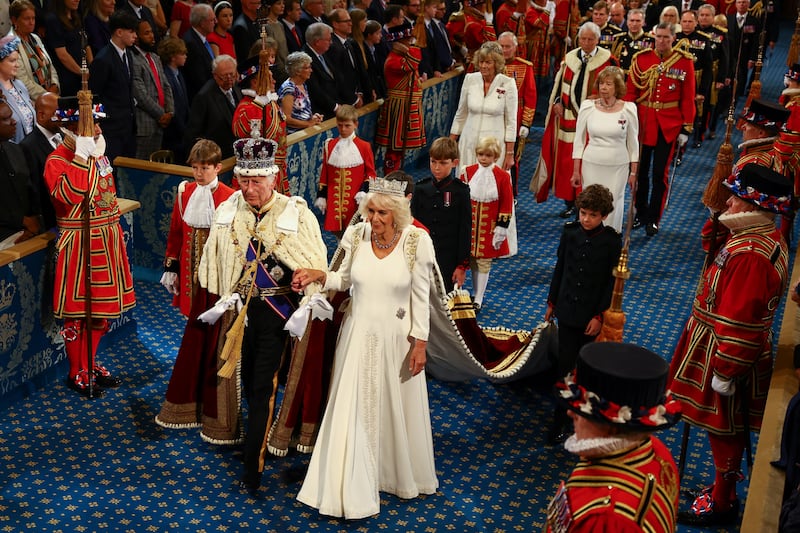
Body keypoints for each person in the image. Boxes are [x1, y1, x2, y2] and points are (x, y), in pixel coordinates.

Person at [293, 176, 439, 519]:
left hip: (397, 338)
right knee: (353, 409)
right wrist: (317, 274)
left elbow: (422, 299)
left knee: (394, 408)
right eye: (370, 210)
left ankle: (392, 474)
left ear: (398, 213)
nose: (374, 218)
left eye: (382, 213)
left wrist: (420, 343)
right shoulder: (356, 235)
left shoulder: (418, 241)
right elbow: (342, 279)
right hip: (357, 335)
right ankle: (352, 480)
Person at [197, 135, 328, 495]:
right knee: (241, 379)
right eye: (243, 181)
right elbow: (216, 262)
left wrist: (306, 279)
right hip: (239, 313)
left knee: (262, 386)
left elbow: (316, 261)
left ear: (274, 178)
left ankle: (252, 468)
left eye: (257, 182)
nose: (250, 189)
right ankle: (250, 436)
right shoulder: (228, 211)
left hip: (277, 314)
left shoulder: (295, 212)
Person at [670, 163, 791, 527]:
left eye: (736, 198)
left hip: (723, 350)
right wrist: (719, 218)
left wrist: (726, 368)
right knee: (721, 426)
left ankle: (723, 500)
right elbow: (711, 247)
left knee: (723, 427)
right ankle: (722, 490)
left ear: (754, 206)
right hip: (715, 343)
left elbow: (740, 319)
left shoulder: (753, 254)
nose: (730, 202)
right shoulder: (752, 236)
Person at [44, 102, 136, 397]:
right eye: (92, 125)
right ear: (73, 130)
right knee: (77, 313)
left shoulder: (99, 154)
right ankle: (76, 371)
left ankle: (91, 362)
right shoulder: (57, 160)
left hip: (106, 238)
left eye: (97, 124)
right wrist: (81, 159)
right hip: (79, 242)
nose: (98, 129)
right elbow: (68, 196)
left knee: (102, 312)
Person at [545, 342, 681, 532]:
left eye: (582, 411)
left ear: (611, 426)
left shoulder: (607, 519)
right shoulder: (655, 449)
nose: (570, 414)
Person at [155, 140, 239, 444]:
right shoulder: (184, 193)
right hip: (191, 278)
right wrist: (171, 267)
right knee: (193, 331)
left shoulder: (231, 197)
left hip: (217, 281)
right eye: (195, 167)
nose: (199, 173)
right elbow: (177, 231)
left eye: (205, 167)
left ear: (218, 167)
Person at [544, 183, 621, 443]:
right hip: (567, 311)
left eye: (593, 215)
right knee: (564, 368)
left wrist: (600, 315)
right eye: (583, 213)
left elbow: (610, 284)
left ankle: (583, 422)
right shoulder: (570, 233)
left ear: (604, 216)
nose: (586, 219)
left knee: (586, 371)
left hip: (591, 317)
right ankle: (560, 419)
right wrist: (551, 302)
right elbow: (560, 269)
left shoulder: (611, 241)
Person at [531, 22, 618, 217]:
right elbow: (558, 85)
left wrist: (599, 98)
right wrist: (556, 102)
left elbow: (616, 89)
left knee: (587, 163)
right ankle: (570, 202)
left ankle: (587, 203)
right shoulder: (570, 59)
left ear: (597, 40)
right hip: (567, 117)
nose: (586, 43)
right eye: (583, 39)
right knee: (566, 162)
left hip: (594, 118)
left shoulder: (608, 61)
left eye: (590, 39)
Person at [625, 22, 695, 237]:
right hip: (643, 124)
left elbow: (687, 96)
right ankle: (640, 212)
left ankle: (654, 219)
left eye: (666, 37)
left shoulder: (684, 62)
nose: (662, 41)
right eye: (658, 37)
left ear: (673, 38)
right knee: (640, 173)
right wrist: (627, 120)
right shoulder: (642, 59)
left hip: (668, 125)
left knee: (659, 175)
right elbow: (630, 93)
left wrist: (686, 127)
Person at [571, 66, 639, 232]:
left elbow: (633, 144)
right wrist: (576, 171)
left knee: (614, 203)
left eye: (608, 84)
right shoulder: (587, 107)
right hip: (592, 163)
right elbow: (578, 141)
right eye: (601, 83)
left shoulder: (629, 109)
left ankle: (611, 241)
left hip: (618, 166)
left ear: (617, 87)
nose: (603, 88)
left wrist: (633, 173)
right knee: (591, 203)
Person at [460, 136, 515, 311]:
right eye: (481, 154)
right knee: (464, 259)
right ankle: (458, 292)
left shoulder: (502, 177)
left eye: (488, 155)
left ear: (495, 156)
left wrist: (501, 229)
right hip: (468, 228)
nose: (483, 158)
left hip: (489, 231)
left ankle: (479, 297)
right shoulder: (467, 172)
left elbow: (506, 205)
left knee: (483, 263)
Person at [411, 136, 471, 292]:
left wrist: (461, 266)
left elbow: (465, 230)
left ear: (454, 163)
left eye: (443, 163)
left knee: (445, 299)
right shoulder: (420, 188)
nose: (437, 167)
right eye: (433, 162)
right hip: (422, 255)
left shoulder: (461, 191)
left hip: (448, 257)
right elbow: (412, 225)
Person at [450, 41, 518, 174]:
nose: (483, 66)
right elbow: (461, 114)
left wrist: (510, 153)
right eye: (481, 62)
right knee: (466, 184)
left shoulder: (508, 83)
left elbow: (511, 122)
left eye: (488, 62)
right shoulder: (470, 79)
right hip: (468, 142)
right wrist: (450, 143)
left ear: (497, 64)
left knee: (491, 188)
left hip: (493, 148)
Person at [232, 45, 290, 195]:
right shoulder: (246, 107)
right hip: (256, 174)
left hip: (276, 169)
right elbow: (246, 133)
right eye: (268, 77)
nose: (274, 80)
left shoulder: (270, 103)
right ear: (255, 82)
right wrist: (260, 103)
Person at [314, 104, 376, 238]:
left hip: (355, 201)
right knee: (337, 234)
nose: (343, 129)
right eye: (340, 125)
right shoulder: (329, 145)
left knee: (354, 233)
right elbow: (325, 172)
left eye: (347, 125)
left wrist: (364, 191)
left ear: (355, 124)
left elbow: (371, 173)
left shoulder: (364, 146)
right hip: (334, 200)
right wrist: (322, 195)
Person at [375, 21, 426, 174]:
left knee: (401, 149)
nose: (411, 42)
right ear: (400, 41)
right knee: (394, 147)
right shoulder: (393, 60)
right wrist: (416, 46)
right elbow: (413, 62)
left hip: (407, 106)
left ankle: (397, 176)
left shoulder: (402, 56)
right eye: (409, 39)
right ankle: (390, 177)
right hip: (398, 107)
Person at [89, 10, 139, 162]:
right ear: (119, 32)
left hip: (128, 128)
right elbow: (94, 95)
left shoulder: (128, 54)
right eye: (131, 31)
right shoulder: (103, 60)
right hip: (111, 131)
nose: (135, 35)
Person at [497, 32, 535, 195]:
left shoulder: (526, 67)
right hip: (495, 117)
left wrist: (526, 123)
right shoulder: (491, 65)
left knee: (512, 159)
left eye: (508, 47)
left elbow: (531, 97)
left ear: (515, 47)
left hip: (517, 117)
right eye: (502, 46)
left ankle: (511, 193)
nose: (505, 50)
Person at [184, 55, 242, 160]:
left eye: (232, 75)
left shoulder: (237, 89)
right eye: (224, 76)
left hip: (236, 154)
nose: (229, 79)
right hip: (218, 157)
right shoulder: (204, 97)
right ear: (215, 75)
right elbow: (193, 134)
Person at [0, 98, 40, 247]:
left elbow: (31, 191)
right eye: (6, 119)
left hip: (30, 230)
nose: (13, 121)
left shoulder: (16, 149)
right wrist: (22, 221)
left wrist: (33, 223)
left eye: (11, 116)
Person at [133, 18, 174, 160]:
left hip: (161, 123)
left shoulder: (155, 58)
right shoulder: (133, 59)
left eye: (152, 32)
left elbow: (166, 86)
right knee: (142, 169)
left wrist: (170, 112)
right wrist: (161, 114)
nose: (152, 36)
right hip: (146, 124)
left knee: (156, 168)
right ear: (136, 37)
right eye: (146, 33)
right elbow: (140, 95)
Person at [20, 92, 60, 231]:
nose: (63, 116)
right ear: (42, 115)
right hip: (50, 221)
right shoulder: (28, 146)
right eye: (57, 113)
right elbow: (34, 189)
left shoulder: (65, 137)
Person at [676, 10, 712, 149]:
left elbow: (708, 68)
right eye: (684, 21)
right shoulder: (674, 38)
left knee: (697, 114)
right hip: (677, 79)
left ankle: (698, 137)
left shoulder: (704, 39)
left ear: (696, 22)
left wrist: (702, 91)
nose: (686, 24)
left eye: (690, 21)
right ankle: (679, 147)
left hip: (696, 80)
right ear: (680, 22)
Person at [10, 0, 60, 101]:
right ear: (14, 20)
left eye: (33, 18)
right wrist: (46, 95)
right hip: (30, 101)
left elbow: (50, 66)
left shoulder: (35, 38)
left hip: (50, 97)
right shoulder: (10, 44)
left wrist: (55, 86)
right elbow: (22, 80)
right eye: (27, 18)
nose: (31, 22)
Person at [44, 0, 92, 97]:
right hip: (68, 79)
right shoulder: (53, 20)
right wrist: (82, 73)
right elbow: (62, 55)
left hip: (83, 78)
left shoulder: (77, 16)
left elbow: (86, 44)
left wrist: (92, 67)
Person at [158, 36, 190, 163]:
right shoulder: (166, 76)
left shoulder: (179, 74)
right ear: (172, 57)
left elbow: (184, 103)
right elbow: (172, 105)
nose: (185, 56)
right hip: (173, 132)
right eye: (182, 53)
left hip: (182, 130)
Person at [302, 22, 342, 120]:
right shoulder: (305, 59)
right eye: (328, 40)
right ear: (317, 42)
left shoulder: (323, 53)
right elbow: (315, 90)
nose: (331, 42)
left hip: (334, 106)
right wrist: (335, 107)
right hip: (322, 113)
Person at [0, 35, 35, 144]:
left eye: (17, 60)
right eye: (12, 61)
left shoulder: (20, 85)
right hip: (11, 156)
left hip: (31, 151)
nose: (17, 65)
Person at [278, 50, 323, 132]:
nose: (311, 70)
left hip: (306, 131)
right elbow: (286, 118)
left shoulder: (302, 84)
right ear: (297, 71)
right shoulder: (288, 89)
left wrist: (312, 117)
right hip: (294, 135)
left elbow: (300, 112)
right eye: (307, 68)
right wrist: (308, 123)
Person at [182, 3, 217, 102]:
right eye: (212, 20)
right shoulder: (191, 43)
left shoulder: (201, 39)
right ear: (202, 23)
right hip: (202, 98)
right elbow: (199, 78)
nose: (216, 22)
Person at [610, 7, 653, 75]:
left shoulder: (651, 40)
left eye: (638, 21)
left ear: (643, 22)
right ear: (627, 22)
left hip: (641, 78)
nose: (634, 24)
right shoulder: (618, 39)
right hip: (621, 77)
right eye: (632, 20)